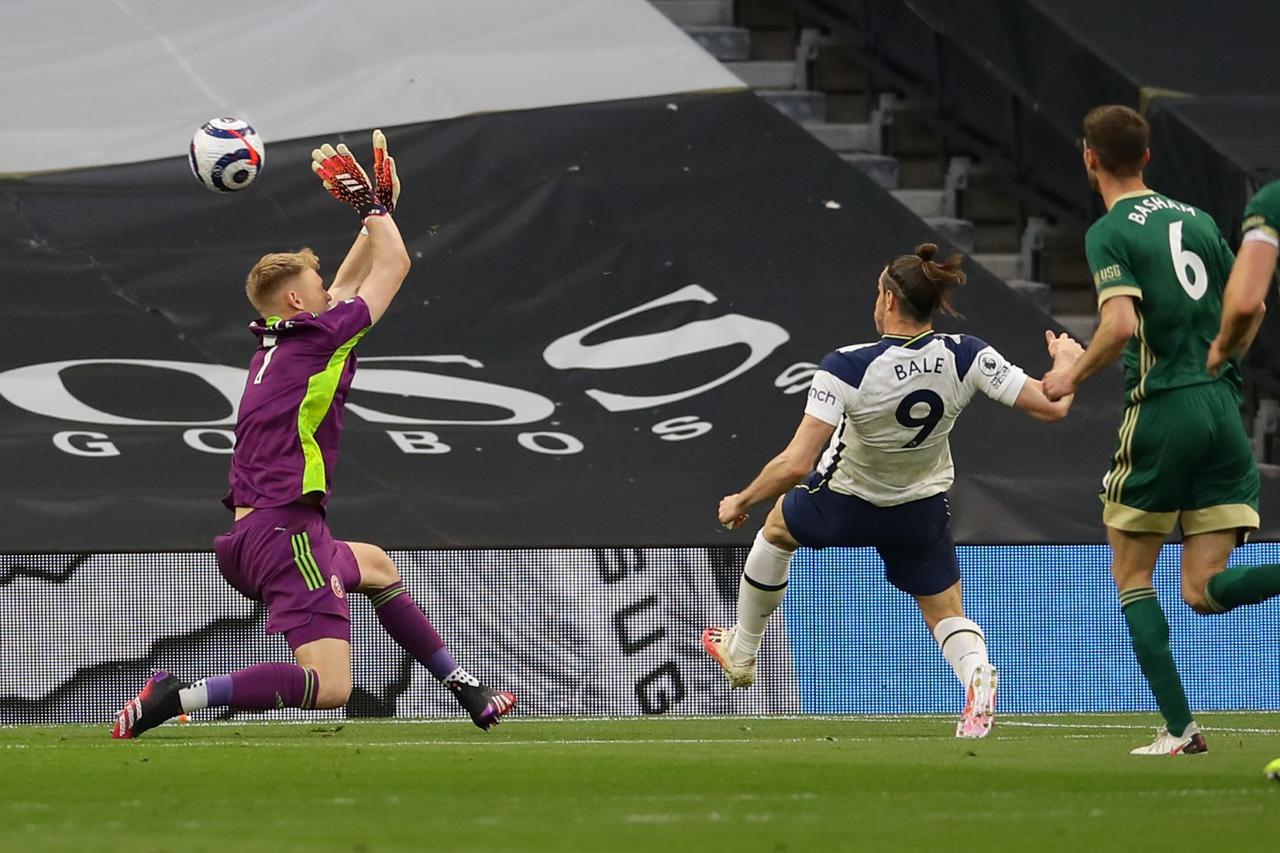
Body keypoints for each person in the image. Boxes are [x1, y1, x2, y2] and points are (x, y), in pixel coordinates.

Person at [112, 132, 516, 738]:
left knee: (375, 565)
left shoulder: (280, 341)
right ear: (299, 300)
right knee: (330, 687)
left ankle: (469, 691)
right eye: (319, 287)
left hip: (260, 531)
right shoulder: (319, 338)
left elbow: (352, 279)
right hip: (284, 529)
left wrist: (380, 208)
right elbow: (394, 265)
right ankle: (177, 697)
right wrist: (372, 212)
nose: (333, 293)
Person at [703, 242, 1082, 738]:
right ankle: (976, 678)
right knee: (945, 610)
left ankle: (743, 648)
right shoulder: (967, 355)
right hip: (919, 509)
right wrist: (1068, 363)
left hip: (844, 504)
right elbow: (1053, 407)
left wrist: (741, 500)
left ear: (887, 300)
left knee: (776, 527)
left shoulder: (847, 365)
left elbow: (796, 463)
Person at [1042, 105, 1278, 755]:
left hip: (1164, 406)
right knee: (1202, 590)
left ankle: (1180, 727)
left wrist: (1069, 375)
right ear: (1148, 157)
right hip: (1221, 409)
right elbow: (1248, 301)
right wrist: (1225, 358)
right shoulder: (1199, 221)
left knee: (1132, 572)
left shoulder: (1109, 231)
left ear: (1089, 158)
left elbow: (1119, 327)